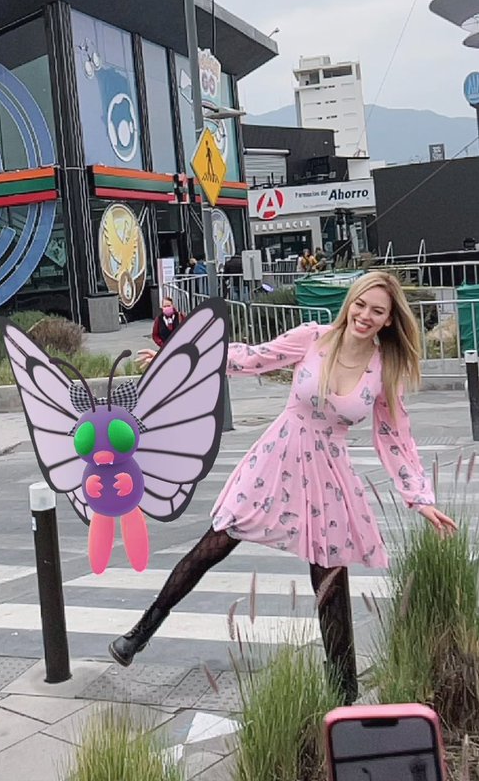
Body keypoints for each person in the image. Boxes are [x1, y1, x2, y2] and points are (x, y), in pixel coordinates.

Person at [108, 272, 456, 703]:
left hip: (329, 473)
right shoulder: (314, 338)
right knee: (216, 541)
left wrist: (420, 498)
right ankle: (141, 632)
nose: (365, 315)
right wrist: (175, 355)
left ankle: (343, 691)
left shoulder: (384, 369)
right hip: (277, 457)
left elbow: (395, 436)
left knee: (330, 577)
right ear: (350, 303)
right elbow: (252, 358)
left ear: (388, 320)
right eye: (361, 304)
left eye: (377, 311)